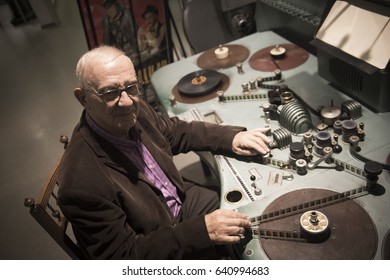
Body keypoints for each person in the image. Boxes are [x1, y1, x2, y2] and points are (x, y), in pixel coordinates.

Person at [58, 45, 271, 259]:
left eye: (131, 87)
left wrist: (229, 137)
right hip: (157, 240)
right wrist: (199, 232)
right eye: (110, 93)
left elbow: (174, 131)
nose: (126, 102)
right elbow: (123, 256)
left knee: (251, 213)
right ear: (83, 99)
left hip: (180, 200)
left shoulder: (134, 108)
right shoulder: (80, 185)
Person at [102, 0, 140, 66]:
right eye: (107, 8)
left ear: (116, 6)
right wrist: (108, 27)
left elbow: (134, 30)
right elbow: (106, 42)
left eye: (111, 7)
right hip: (121, 55)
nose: (109, 10)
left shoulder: (126, 14)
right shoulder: (108, 22)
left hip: (133, 49)